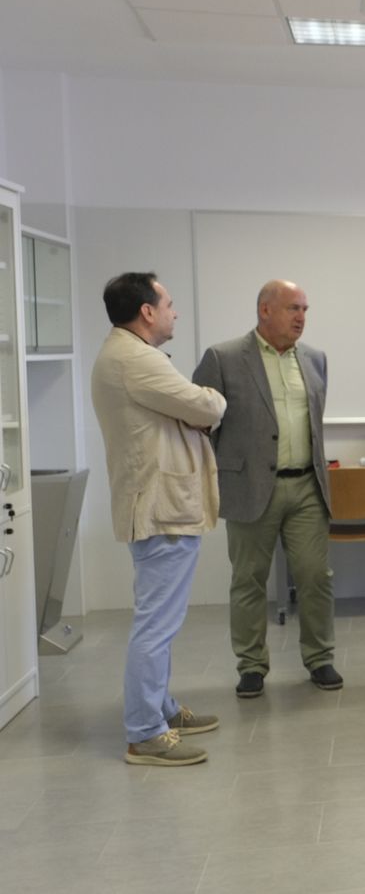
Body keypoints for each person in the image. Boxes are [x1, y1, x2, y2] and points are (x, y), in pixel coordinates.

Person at [90, 272, 227, 766]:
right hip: (160, 510)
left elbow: (186, 412)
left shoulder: (126, 355)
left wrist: (192, 412)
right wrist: (206, 404)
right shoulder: (136, 359)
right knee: (156, 626)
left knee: (160, 622)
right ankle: (145, 731)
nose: (174, 311)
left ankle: (161, 709)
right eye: (168, 303)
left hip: (158, 505)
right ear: (146, 311)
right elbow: (205, 405)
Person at [193, 280, 342, 698]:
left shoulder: (315, 359)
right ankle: (251, 665)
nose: (301, 317)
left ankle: (319, 658)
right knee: (249, 580)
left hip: (306, 486)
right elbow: (200, 424)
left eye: (305, 309)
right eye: (293, 308)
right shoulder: (222, 358)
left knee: (315, 575)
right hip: (250, 487)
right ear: (265, 310)